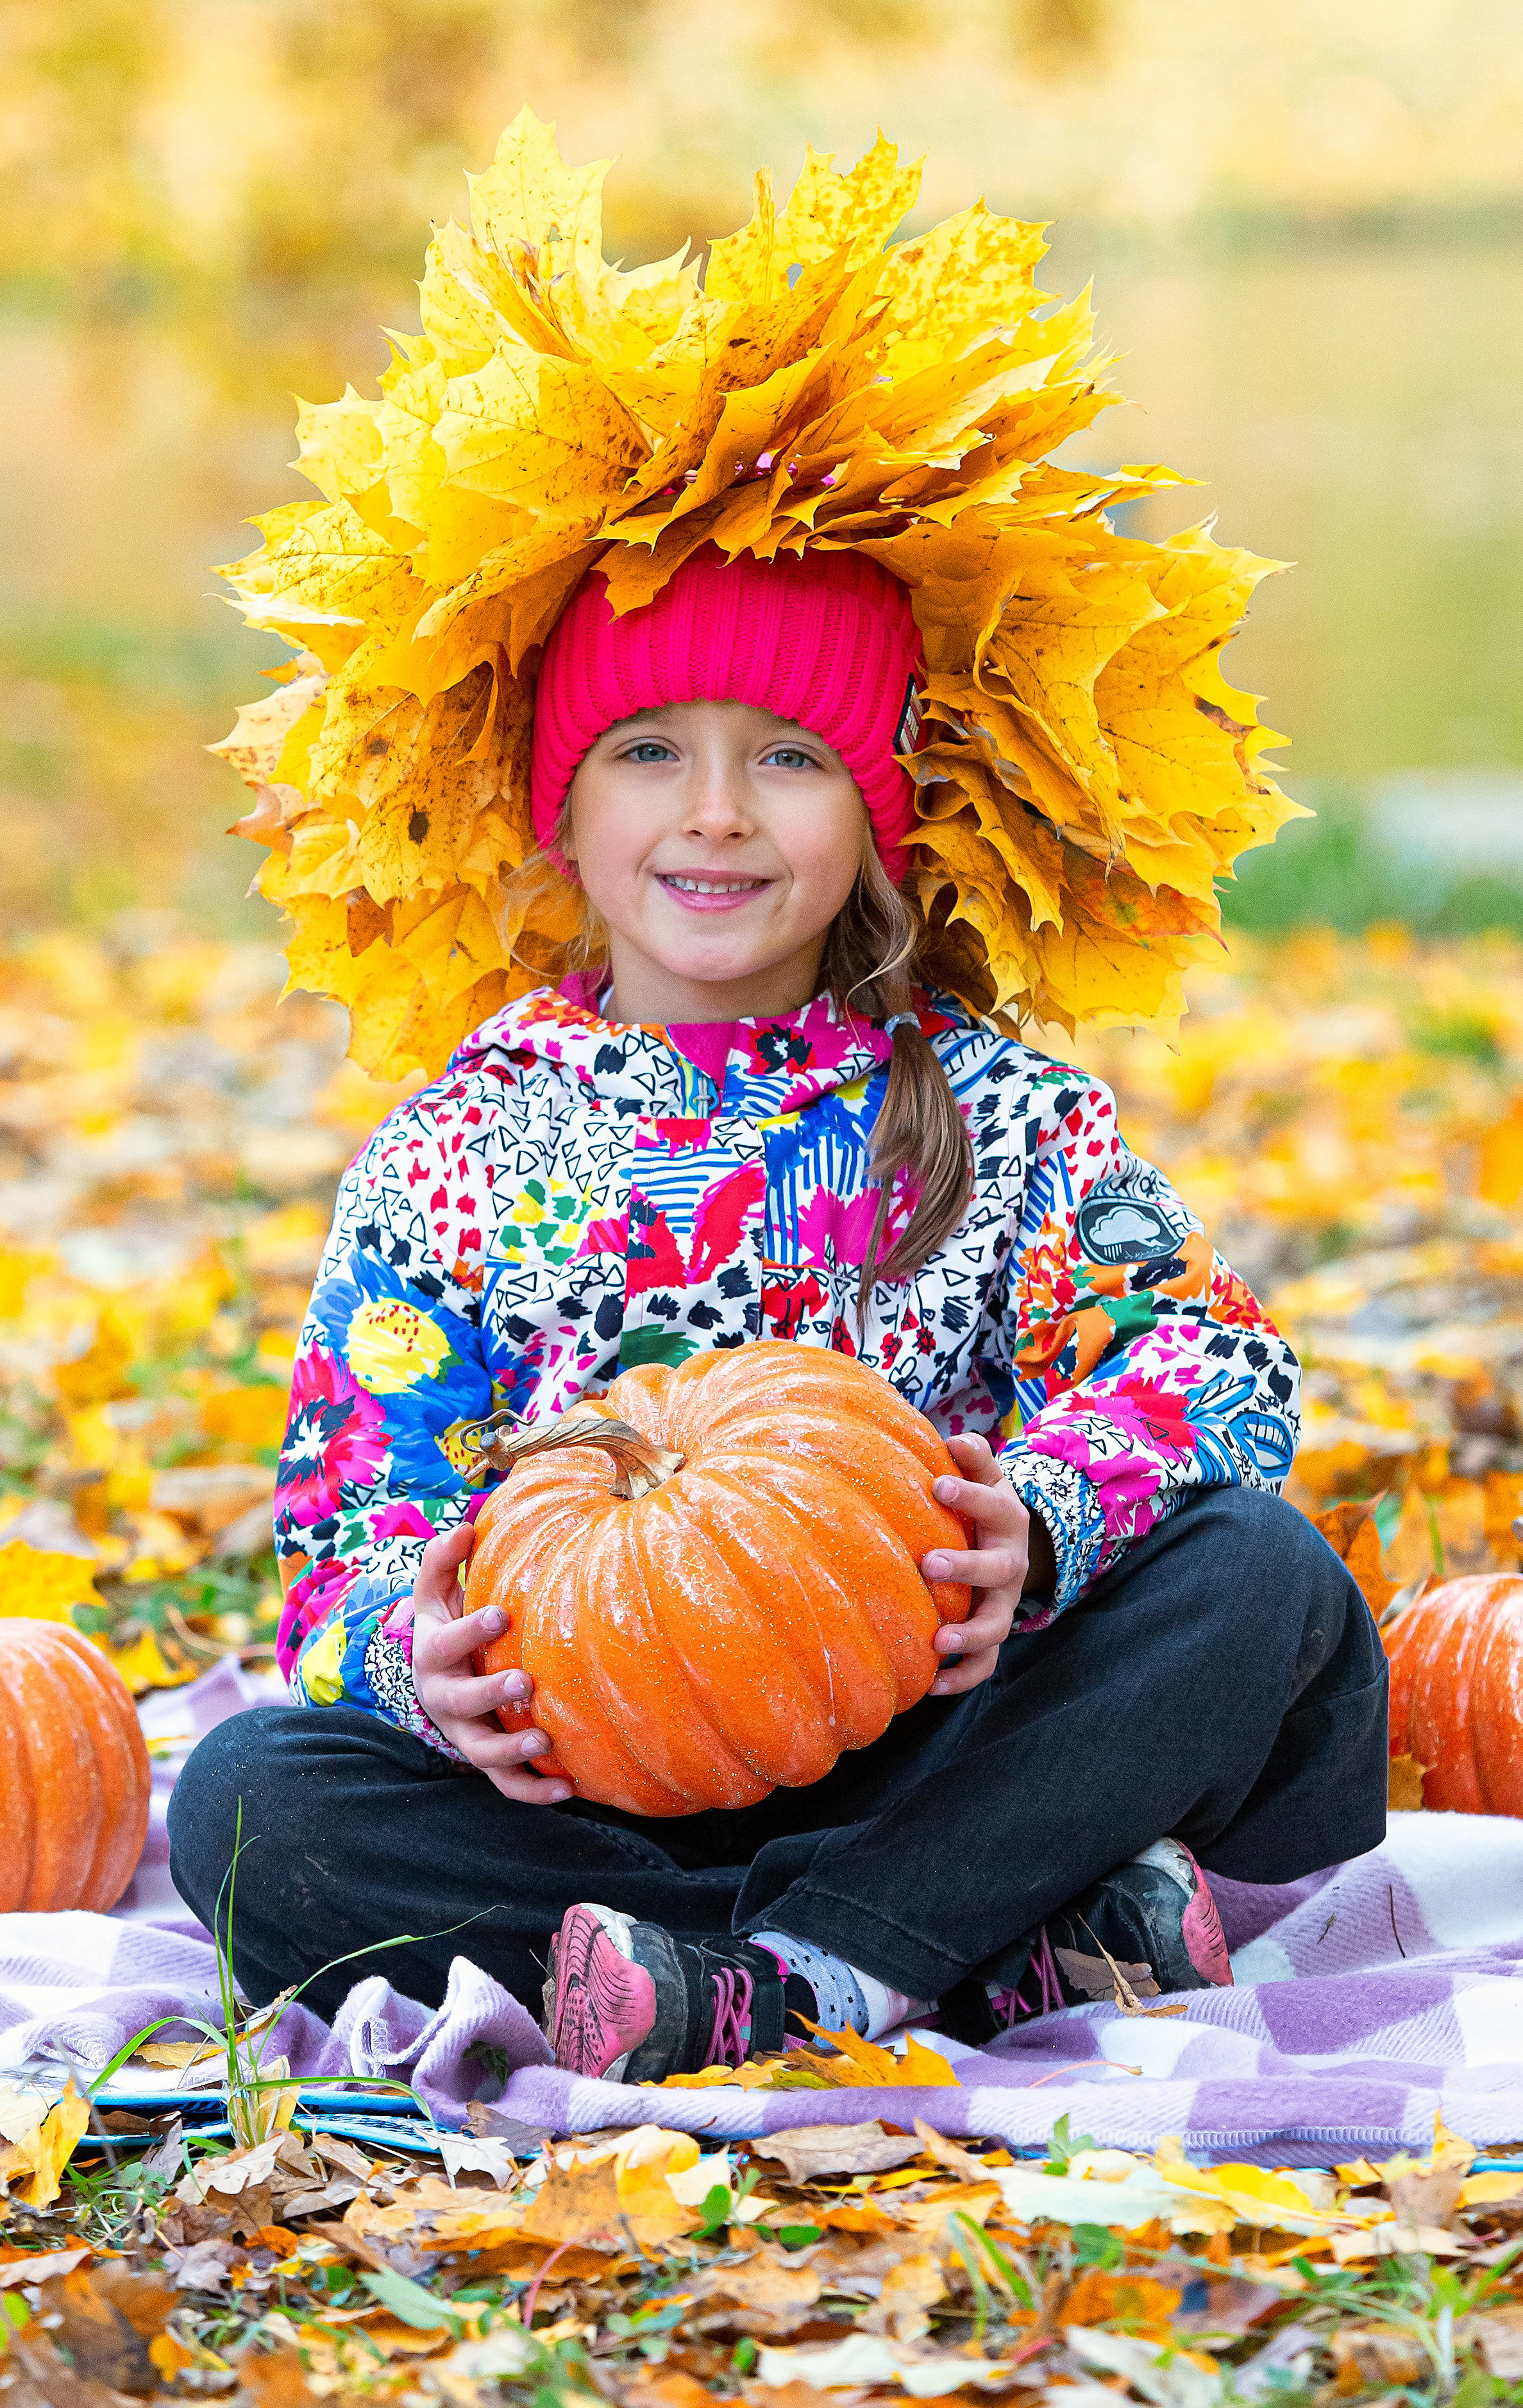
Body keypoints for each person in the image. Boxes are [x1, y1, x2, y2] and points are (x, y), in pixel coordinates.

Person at [170, 541, 1389, 2083]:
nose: (717, 811)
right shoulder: (453, 1154)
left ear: (876, 808)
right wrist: (418, 1660)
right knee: (244, 1801)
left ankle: (783, 1974)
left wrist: (1049, 1512)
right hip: (598, 1772)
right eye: (650, 749)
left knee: (1262, 1579)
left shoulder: (995, 1114)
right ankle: (946, 1943)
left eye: (792, 756)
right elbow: (346, 1527)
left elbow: (1211, 1359)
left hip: (957, 1734)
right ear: (563, 803)